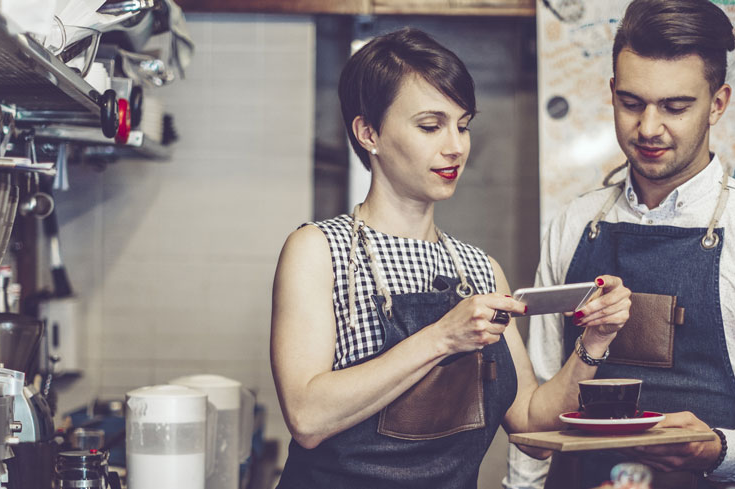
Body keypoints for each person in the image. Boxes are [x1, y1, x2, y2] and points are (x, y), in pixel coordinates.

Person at [269, 27, 633, 488]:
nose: (456, 146)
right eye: (430, 126)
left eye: (462, 125)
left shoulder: (480, 269)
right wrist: (442, 337)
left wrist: (594, 342)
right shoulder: (320, 250)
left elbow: (533, 428)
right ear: (368, 133)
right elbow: (307, 417)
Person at [505, 0, 735, 486]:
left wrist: (719, 447)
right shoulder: (573, 225)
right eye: (632, 103)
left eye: (675, 107)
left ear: (718, 103)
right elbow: (538, 407)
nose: (649, 128)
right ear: (612, 93)